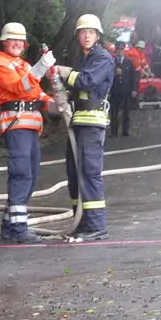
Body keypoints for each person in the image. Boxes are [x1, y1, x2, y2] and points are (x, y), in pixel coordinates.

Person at [0, 21, 57, 243]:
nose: (17, 43)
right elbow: (20, 88)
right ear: (5, 41)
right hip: (16, 126)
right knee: (21, 176)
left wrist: (57, 104)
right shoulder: (1, 64)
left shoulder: (24, 65)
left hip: (31, 128)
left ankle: (10, 226)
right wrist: (40, 68)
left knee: (31, 177)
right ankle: (19, 229)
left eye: (20, 40)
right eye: (13, 39)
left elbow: (36, 93)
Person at [53, 14, 115, 241]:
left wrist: (64, 72)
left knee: (89, 172)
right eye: (82, 32)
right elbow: (76, 88)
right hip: (78, 121)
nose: (86, 35)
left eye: (90, 32)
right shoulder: (84, 59)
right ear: (78, 35)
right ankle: (81, 222)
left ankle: (97, 225)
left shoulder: (102, 58)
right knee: (73, 172)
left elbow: (85, 81)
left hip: (92, 122)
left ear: (97, 35)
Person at [111, 44, 137, 137]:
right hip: (115, 90)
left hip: (126, 89)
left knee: (126, 111)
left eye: (121, 49)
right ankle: (114, 131)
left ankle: (125, 130)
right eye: (118, 49)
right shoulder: (112, 62)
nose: (120, 51)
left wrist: (134, 89)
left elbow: (133, 77)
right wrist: (114, 72)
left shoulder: (128, 62)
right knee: (114, 112)